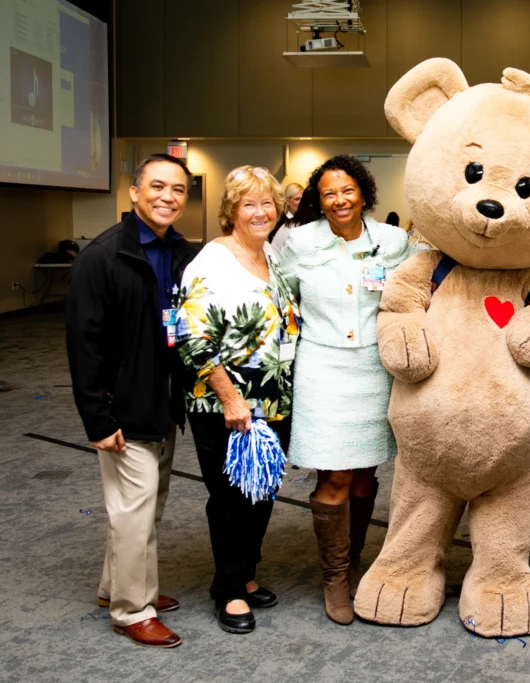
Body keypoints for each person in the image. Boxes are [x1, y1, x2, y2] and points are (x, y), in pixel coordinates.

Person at [66, 153, 199, 648]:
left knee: (143, 507)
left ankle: (114, 587)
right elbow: (84, 346)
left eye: (179, 190)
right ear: (134, 193)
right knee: (134, 509)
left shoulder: (181, 253)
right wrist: (97, 419)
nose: (168, 196)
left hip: (162, 405)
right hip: (122, 409)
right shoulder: (102, 257)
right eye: (158, 187)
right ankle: (131, 609)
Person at [279, 155, 417, 624]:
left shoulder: (394, 241)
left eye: (348, 190)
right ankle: (335, 577)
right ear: (319, 201)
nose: (339, 200)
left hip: (375, 370)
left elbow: (422, 289)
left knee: (362, 475)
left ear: (364, 193)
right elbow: (280, 300)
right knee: (333, 476)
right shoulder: (299, 242)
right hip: (322, 367)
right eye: (329, 193)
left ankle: (356, 562)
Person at [177, 166, 300, 634]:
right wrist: (230, 397)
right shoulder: (213, 260)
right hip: (225, 399)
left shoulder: (268, 254)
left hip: (273, 395)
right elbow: (192, 337)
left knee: (261, 490)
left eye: (267, 202)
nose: (260, 211)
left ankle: (246, 574)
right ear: (231, 210)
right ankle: (227, 590)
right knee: (230, 497)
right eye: (248, 203)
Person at [268, 182, 304, 253]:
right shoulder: (278, 224)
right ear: (287, 201)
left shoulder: (306, 220)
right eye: (297, 199)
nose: (301, 203)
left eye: (302, 199)